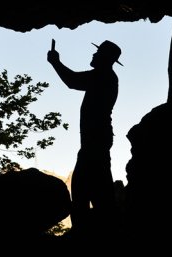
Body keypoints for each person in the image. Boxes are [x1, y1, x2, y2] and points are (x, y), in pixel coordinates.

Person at [47, 39, 122, 236]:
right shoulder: (105, 76)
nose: (93, 55)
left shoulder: (103, 76)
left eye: (97, 54)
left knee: (84, 189)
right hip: (97, 141)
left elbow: (72, 81)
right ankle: (102, 231)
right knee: (97, 187)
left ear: (105, 58)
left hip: (95, 142)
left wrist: (55, 62)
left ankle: (88, 234)